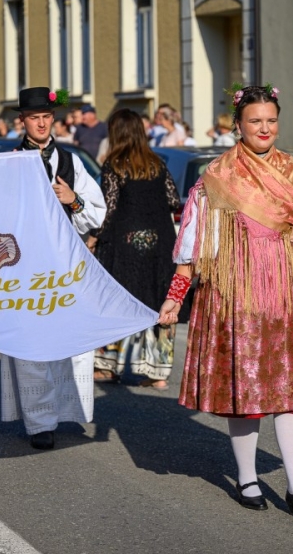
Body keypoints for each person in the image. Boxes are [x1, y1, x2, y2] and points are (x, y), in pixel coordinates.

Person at [158, 84, 293, 519]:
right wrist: (175, 297)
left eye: (271, 121)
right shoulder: (216, 177)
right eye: (255, 122)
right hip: (235, 293)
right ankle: (247, 478)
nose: (265, 129)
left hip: (289, 291)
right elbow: (194, 247)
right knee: (243, 388)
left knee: (291, 390)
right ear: (238, 126)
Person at [2, 86, 107, 450]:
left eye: (47, 117)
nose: (42, 123)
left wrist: (73, 200)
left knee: (65, 340)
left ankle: (64, 410)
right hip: (27, 266)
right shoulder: (10, 162)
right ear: (24, 121)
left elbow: (98, 210)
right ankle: (38, 423)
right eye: (35, 118)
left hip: (63, 263)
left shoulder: (71, 161)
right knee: (32, 344)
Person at [88, 109, 180, 389]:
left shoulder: (113, 165)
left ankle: (107, 367)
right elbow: (174, 199)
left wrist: (93, 238)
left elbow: (109, 207)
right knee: (158, 300)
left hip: (124, 245)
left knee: (113, 300)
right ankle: (158, 372)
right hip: (159, 243)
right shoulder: (156, 164)